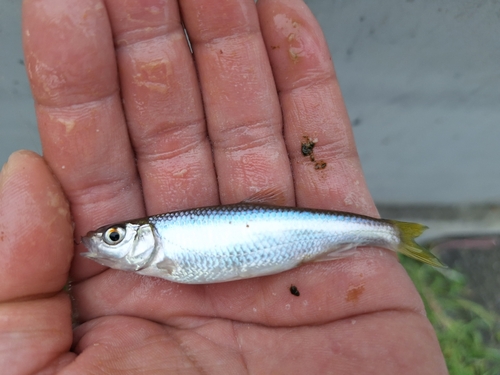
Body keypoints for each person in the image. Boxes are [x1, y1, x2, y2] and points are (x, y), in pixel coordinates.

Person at [0, 0, 448, 373]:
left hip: (286, 234)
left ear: (141, 235)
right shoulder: (160, 258)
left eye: (114, 236)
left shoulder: (164, 253)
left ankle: (387, 234)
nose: (105, 242)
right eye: (112, 237)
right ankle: (391, 234)